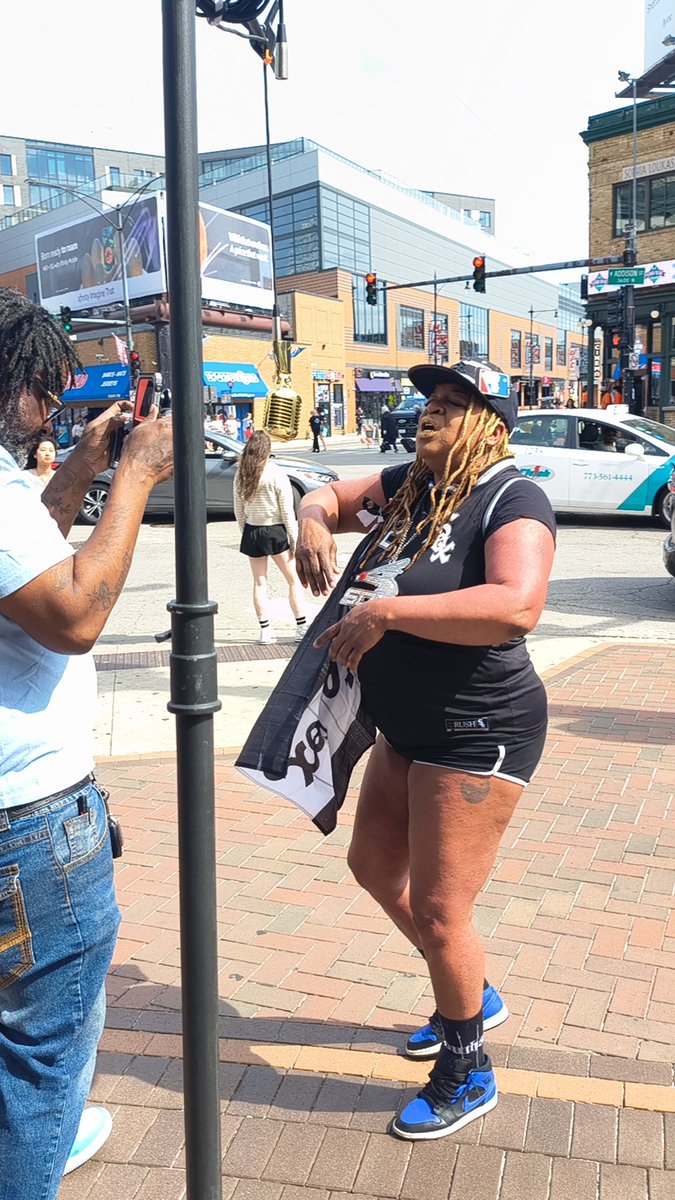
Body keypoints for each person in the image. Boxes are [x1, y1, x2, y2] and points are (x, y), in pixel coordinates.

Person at [295, 358, 555, 1142]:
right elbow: (327, 493)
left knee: (443, 908)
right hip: (405, 726)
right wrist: (311, 519)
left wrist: (391, 614)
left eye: (451, 403)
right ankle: (472, 991)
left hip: (478, 728)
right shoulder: (413, 484)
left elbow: (516, 606)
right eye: (427, 401)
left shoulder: (511, 497)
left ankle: (466, 1065)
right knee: (373, 867)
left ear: (489, 422)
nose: (429, 414)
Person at [0, 287, 174, 1197]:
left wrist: (76, 471)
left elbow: (28, 565)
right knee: (44, 1056)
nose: (52, 411)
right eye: (48, 394)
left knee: (23, 1045)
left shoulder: (9, 492)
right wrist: (137, 476)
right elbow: (70, 611)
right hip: (27, 829)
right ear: (19, 386)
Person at [234, 429, 307, 644]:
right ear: (267, 450)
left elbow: (238, 509)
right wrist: (294, 540)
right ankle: (301, 626)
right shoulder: (275, 473)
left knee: (259, 582)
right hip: (276, 531)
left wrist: (245, 532)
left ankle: (265, 630)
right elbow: (287, 511)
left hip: (252, 530)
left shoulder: (241, 474)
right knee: (293, 580)